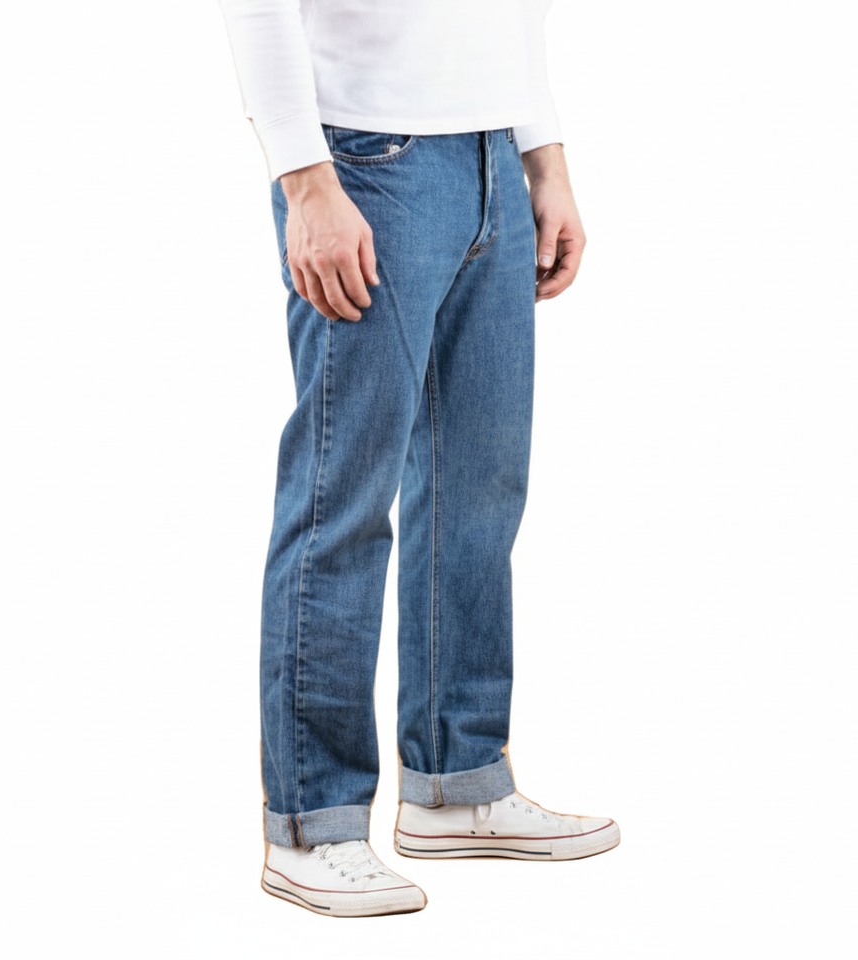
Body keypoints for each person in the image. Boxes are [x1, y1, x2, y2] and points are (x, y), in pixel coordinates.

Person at [218, 0, 619, 917]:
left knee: (478, 492)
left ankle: (457, 782)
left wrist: (544, 159)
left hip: (492, 159)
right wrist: (305, 180)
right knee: (341, 498)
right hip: (364, 161)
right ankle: (313, 822)